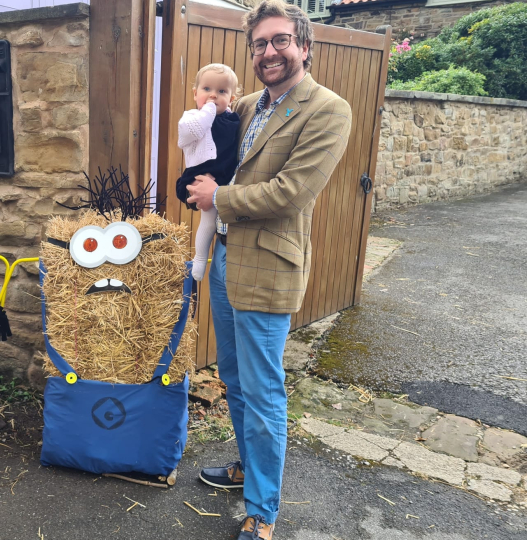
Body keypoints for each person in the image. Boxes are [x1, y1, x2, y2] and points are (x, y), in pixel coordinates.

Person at [185, 1, 353, 538]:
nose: (269, 51)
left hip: (269, 267)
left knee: (263, 390)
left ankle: (263, 512)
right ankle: (247, 467)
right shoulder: (252, 102)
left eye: (280, 40)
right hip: (226, 260)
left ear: (305, 45)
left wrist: (219, 196)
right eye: (259, 43)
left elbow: (292, 192)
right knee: (234, 379)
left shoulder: (328, 109)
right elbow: (213, 149)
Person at [175, 63, 241, 281]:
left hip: (223, 179)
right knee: (208, 221)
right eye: (206, 90)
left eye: (221, 92)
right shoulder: (191, 117)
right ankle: (200, 257)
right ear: (195, 94)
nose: (213, 95)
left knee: (216, 221)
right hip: (200, 175)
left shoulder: (232, 119)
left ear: (231, 99)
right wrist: (210, 109)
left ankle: (208, 256)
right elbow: (193, 131)